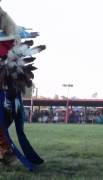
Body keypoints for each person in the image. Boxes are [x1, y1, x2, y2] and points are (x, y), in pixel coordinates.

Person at [0, 5, 44, 170]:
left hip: (6, 75)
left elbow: (7, 24)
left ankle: (5, 150)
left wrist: (15, 36)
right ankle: (5, 150)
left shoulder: (2, 16)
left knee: (6, 113)